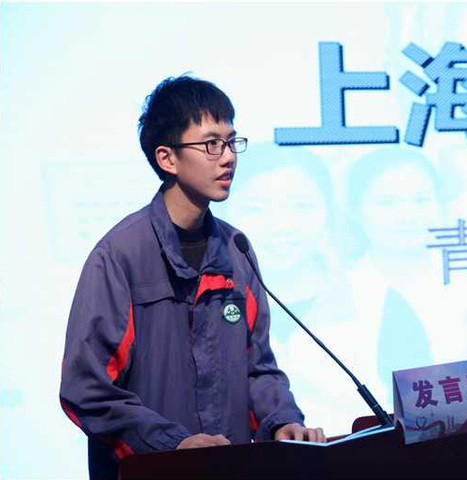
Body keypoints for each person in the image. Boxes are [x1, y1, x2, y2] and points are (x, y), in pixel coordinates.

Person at [59, 75, 325, 480]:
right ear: (167, 158)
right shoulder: (120, 255)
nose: (228, 157)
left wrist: (281, 419)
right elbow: (87, 389)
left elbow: (258, 368)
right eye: (211, 144)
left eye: (232, 142)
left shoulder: (236, 249)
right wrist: (172, 445)